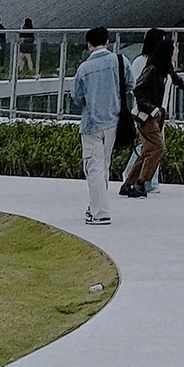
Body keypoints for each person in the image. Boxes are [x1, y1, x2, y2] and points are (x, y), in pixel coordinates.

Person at [68, 25, 125, 225]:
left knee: (93, 167)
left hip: (92, 123)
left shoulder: (84, 68)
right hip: (114, 120)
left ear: (88, 44)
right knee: (104, 165)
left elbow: (76, 96)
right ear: (107, 42)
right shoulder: (120, 61)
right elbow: (131, 84)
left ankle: (100, 211)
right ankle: (95, 206)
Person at [119, 28, 177, 201]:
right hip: (147, 113)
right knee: (156, 146)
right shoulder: (143, 63)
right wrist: (150, 109)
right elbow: (138, 89)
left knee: (150, 147)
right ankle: (139, 180)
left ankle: (138, 180)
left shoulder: (163, 65)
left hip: (159, 112)